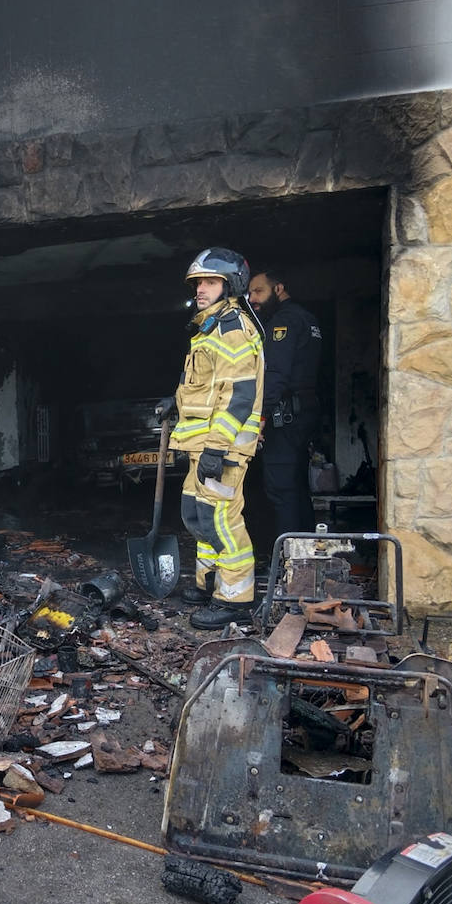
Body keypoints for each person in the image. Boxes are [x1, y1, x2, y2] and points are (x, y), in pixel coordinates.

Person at [167, 248, 265, 629]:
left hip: (223, 447)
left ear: (231, 285)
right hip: (202, 444)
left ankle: (236, 598)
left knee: (220, 519)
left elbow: (239, 395)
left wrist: (216, 447)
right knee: (195, 512)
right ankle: (209, 582)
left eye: (209, 281)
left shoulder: (232, 328)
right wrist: (172, 402)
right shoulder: (208, 326)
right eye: (198, 283)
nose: (201, 289)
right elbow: (206, 387)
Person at [248, 269, 322, 542]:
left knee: (282, 490)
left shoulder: (284, 321)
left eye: (258, 291)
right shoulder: (308, 319)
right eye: (250, 292)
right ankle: (305, 557)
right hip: (303, 412)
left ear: (278, 289)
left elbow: (275, 374)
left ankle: (289, 564)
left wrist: (261, 417)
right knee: (298, 487)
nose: (252, 297)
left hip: (285, 416)